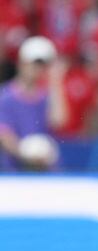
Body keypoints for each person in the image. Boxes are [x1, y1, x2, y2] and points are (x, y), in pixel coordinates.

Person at [0, 36, 67, 171]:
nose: (37, 69)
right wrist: (27, 154)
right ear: (22, 63)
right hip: (15, 171)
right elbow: (3, 134)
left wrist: (55, 82)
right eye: (34, 63)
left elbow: (58, 121)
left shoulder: (47, 96)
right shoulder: (5, 96)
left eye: (43, 65)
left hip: (46, 169)